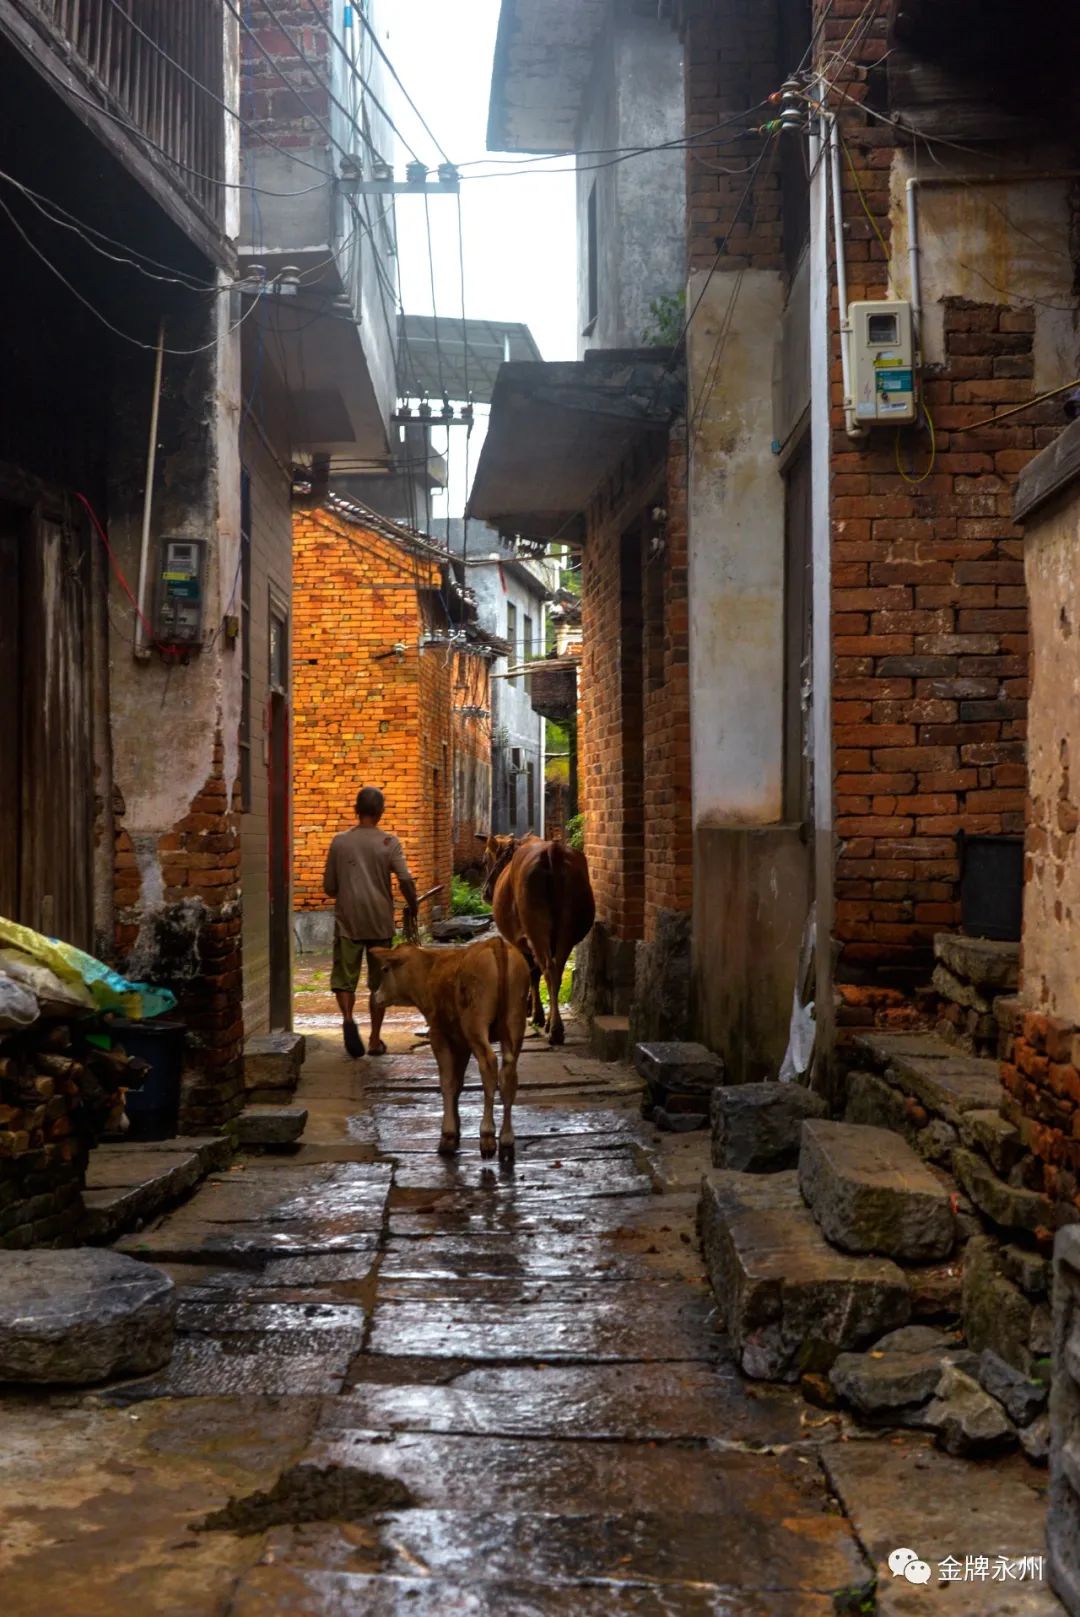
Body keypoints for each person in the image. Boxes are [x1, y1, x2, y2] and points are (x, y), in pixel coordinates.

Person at [323, 787, 418, 1058]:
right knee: (379, 984)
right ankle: (375, 1039)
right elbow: (406, 880)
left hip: (348, 922)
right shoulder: (390, 843)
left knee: (344, 979)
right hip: (380, 922)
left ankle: (349, 1020)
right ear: (381, 812)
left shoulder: (339, 842)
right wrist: (413, 905)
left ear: (356, 810)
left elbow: (329, 887)